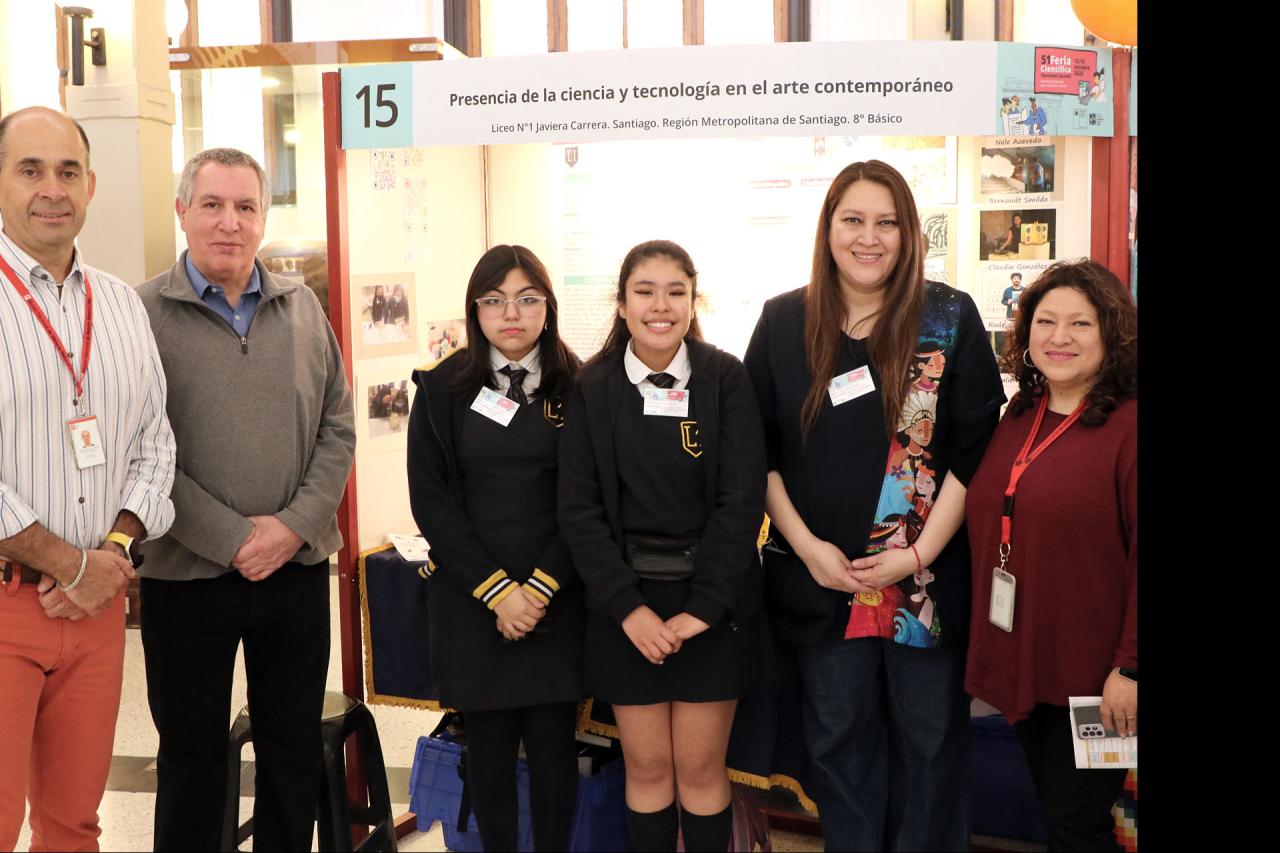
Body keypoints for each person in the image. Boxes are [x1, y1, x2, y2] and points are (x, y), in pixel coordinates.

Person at [742, 160, 1005, 851]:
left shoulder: (948, 317)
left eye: (887, 222)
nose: (870, 237)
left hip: (924, 588)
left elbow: (975, 454)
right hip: (826, 585)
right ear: (828, 228)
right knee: (838, 746)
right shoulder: (782, 323)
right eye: (853, 219)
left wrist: (916, 554)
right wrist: (806, 548)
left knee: (931, 747)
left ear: (909, 232)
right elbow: (756, 454)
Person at [136, 147, 356, 851]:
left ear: (263, 218)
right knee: (192, 759)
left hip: (293, 572)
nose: (228, 222)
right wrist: (231, 537)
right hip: (186, 577)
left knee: (293, 752)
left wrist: (292, 529)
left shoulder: (301, 307)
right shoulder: (139, 314)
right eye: (212, 205)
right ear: (182, 212)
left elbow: (338, 425)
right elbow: (141, 450)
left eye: (245, 207)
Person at [0, 106, 177, 852]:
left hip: (96, 611)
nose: (52, 189)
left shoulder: (121, 305)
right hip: (8, 606)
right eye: (30, 169)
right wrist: (69, 564)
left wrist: (109, 553)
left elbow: (155, 443)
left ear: (91, 185)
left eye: (68, 171)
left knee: (75, 823)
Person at [559, 240, 768, 853]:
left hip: (713, 604)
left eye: (675, 292)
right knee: (648, 771)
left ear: (692, 300)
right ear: (620, 304)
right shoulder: (592, 387)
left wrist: (703, 608)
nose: (660, 305)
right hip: (626, 609)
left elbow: (741, 500)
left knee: (702, 772)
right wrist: (629, 608)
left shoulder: (725, 378)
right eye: (644, 291)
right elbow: (579, 509)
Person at [408, 244, 584, 852]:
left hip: (556, 601)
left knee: (555, 750)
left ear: (548, 307)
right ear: (475, 308)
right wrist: (499, 593)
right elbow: (432, 503)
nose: (511, 313)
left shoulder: (581, 385)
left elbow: (587, 503)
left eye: (527, 299)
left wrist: (535, 591)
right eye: (494, 300)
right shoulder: (440, 390)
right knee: (486, 753)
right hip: (472, 603)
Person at [965, 259, 1136, 852]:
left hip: (1099, 681)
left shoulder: (1131, 428)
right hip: (1030, 663)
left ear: (1111, 335)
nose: (1059, 338)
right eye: (1046, 321)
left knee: (1077, 825)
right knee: (1059, 817)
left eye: (1080, 324)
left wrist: (1131, 669)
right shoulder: (1019, 415)